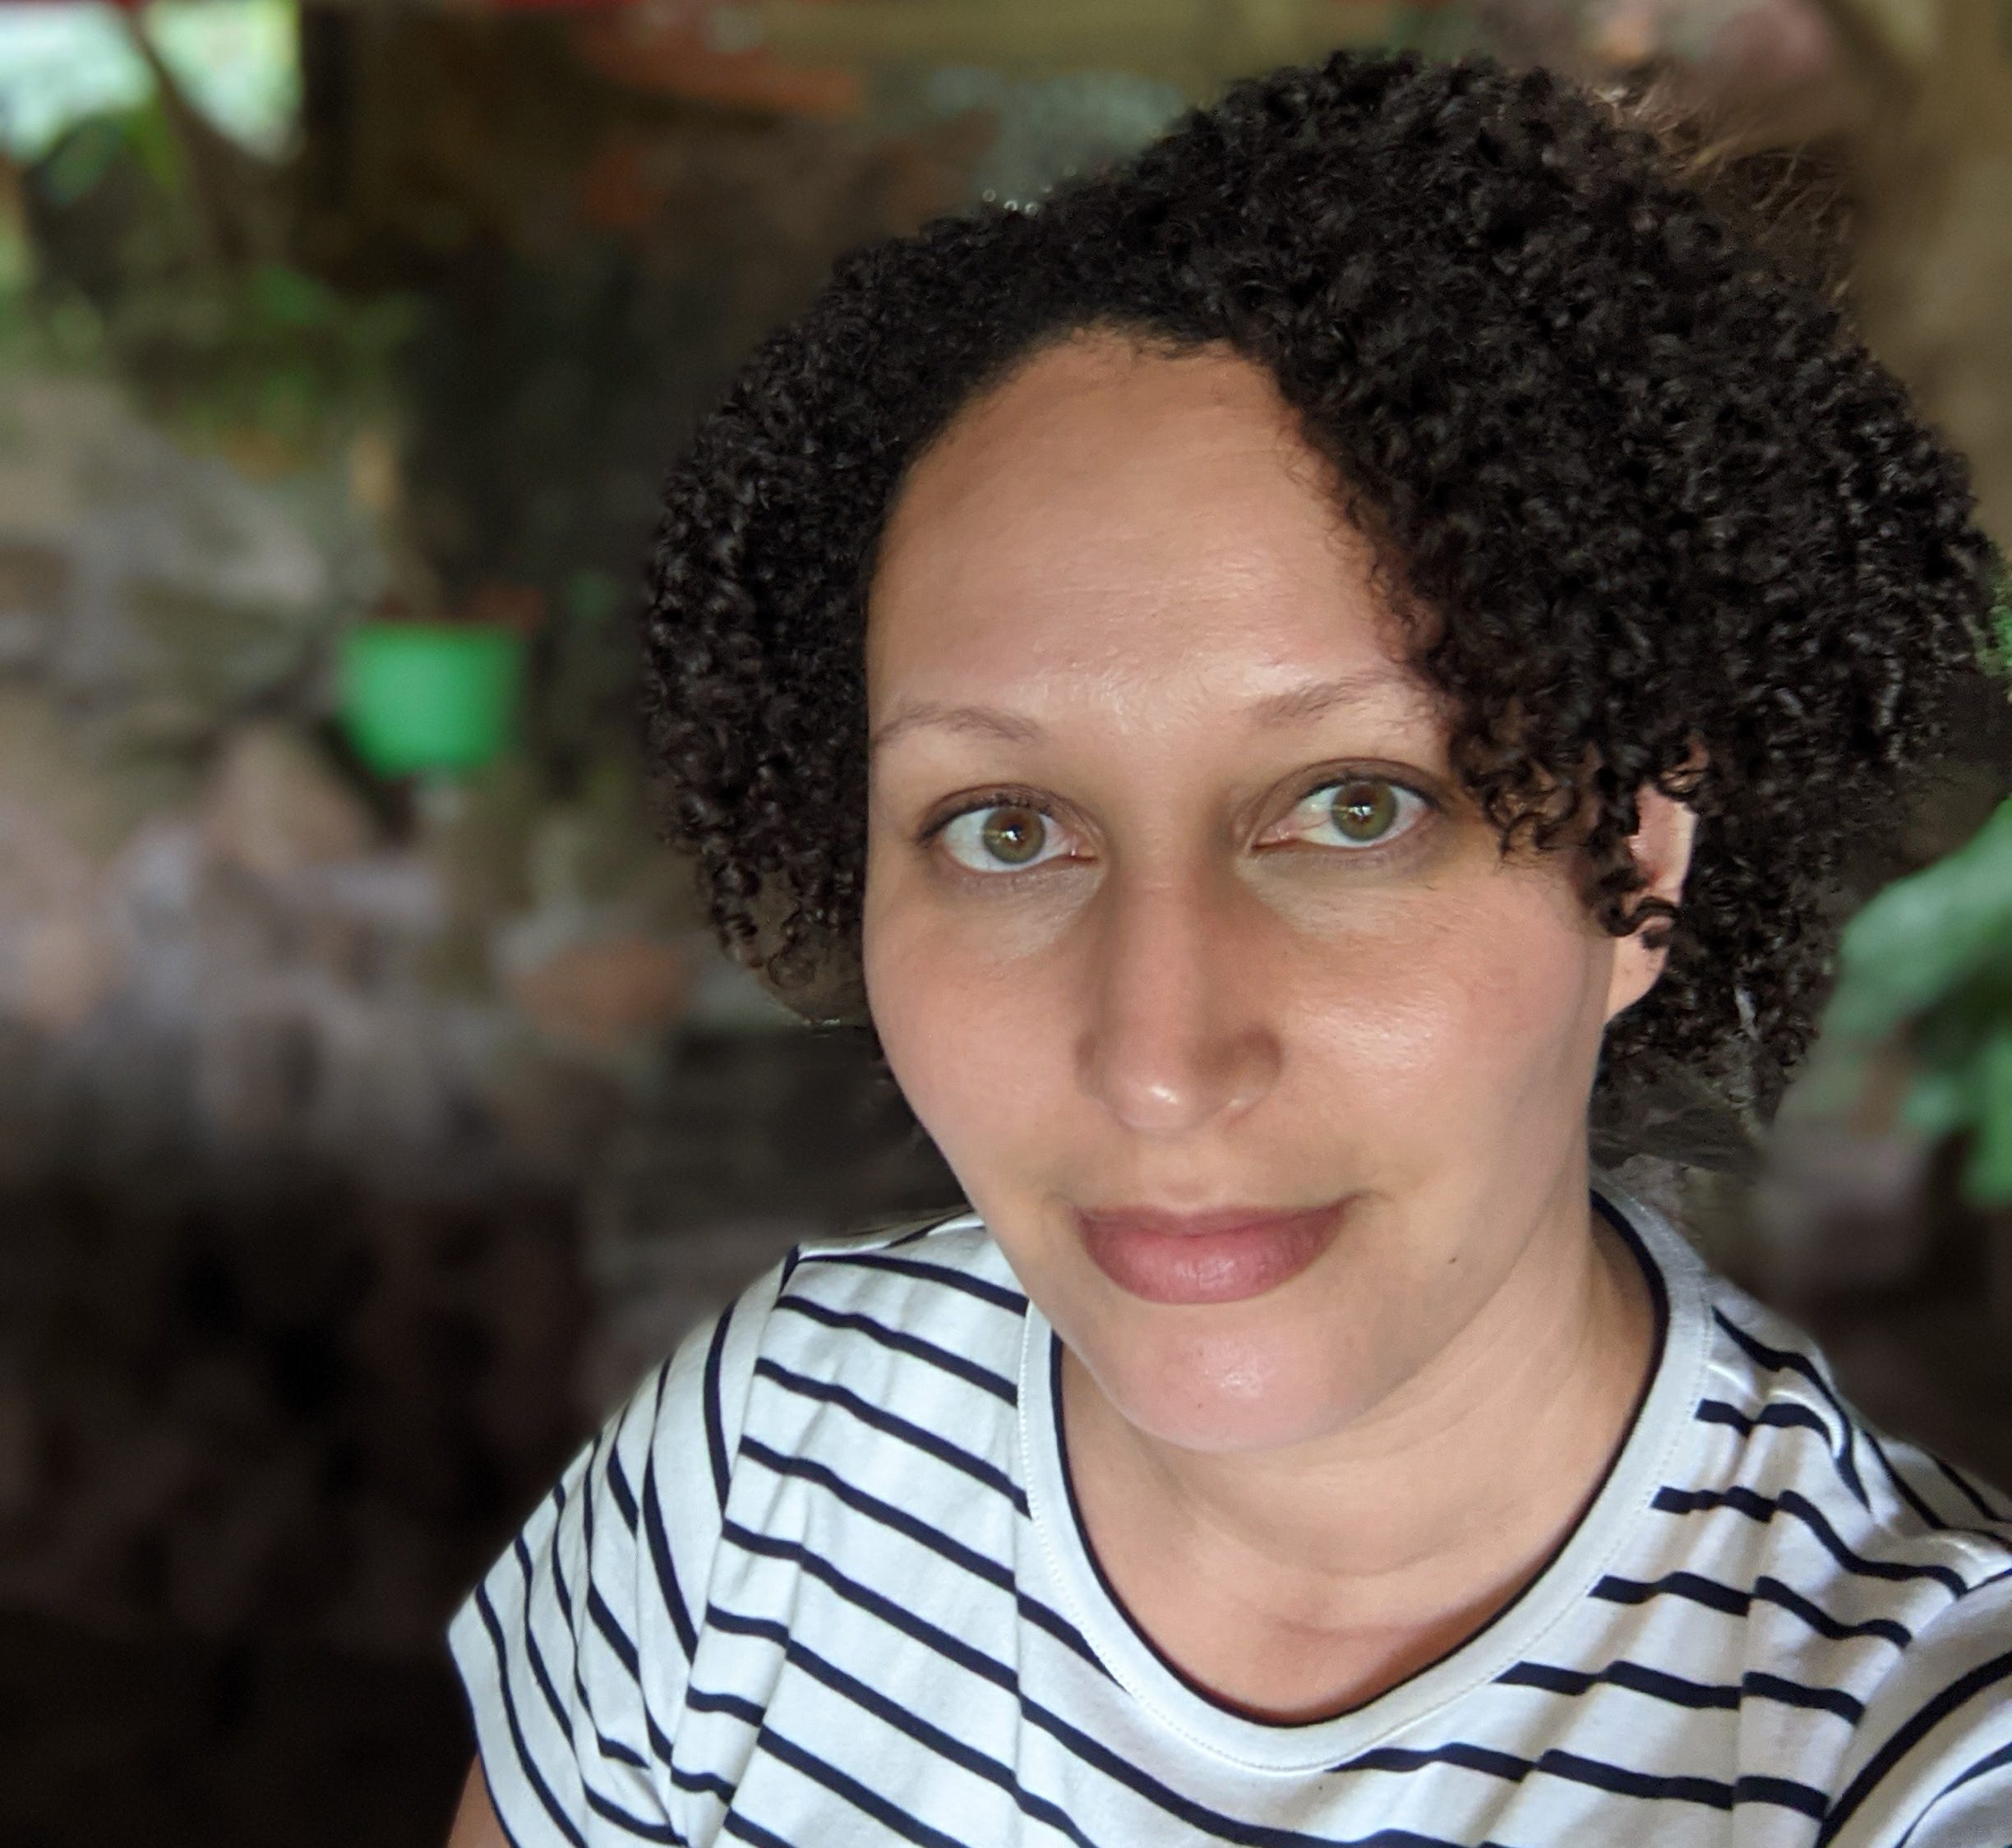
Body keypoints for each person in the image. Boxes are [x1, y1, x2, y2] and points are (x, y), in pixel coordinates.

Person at [445, 49, 2012, 1848]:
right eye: (1005, 827)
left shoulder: (1914, 1752)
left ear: (1637, 856)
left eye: (1355, 806)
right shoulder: (761, 1477)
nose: (1158, 1059)